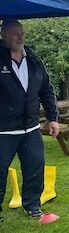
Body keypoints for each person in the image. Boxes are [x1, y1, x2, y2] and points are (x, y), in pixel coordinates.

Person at [0, 19, 59, 222]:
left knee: (35, 167)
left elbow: (46, 90)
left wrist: (53, 118)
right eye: (15, 33)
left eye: (22, 33)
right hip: (4, 130)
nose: (20, 37)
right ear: (4, 35)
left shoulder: (33, 59)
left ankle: (33, 206)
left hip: (31, 127)